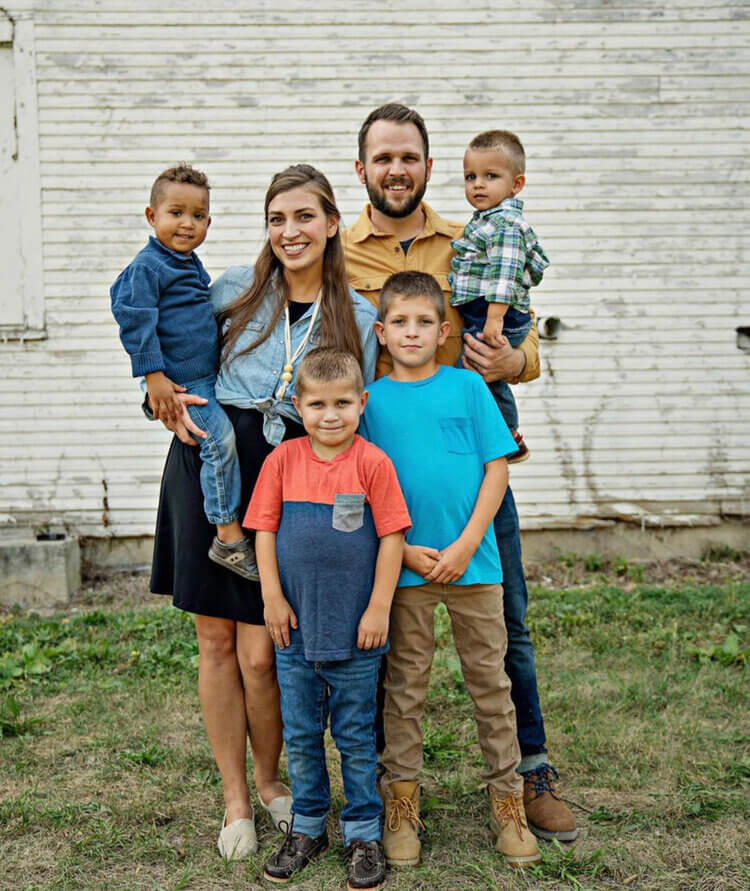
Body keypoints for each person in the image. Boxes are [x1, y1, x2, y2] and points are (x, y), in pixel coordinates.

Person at [342, 103, 577, 842]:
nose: (396, 169)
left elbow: (521, 328)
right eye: (382, 158)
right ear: (362, 170)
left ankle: (529, 775)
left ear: (428, 166)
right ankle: (387, 790)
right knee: (389, 643)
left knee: (506, 624)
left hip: (470, 465)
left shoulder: (474, 233)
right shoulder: (339, 253)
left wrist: (516, 360)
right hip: (383, 473)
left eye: (408, 156)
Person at [147, 165, 379, 860]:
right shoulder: (231, 292)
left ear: (332, 223)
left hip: (289, 477)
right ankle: (236, 800)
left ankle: (272, 778)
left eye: (304, 216)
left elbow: (360, 424)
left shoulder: (358, 317)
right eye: (277, 218)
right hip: (212, 467)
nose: (290, 231)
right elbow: (171, 352)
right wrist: (159, 394)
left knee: (262, 652)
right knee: (216, 644)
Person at [359, 271, 541, 869]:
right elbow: (363, 487)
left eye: (424, 323)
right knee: (405, 691)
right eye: (400, 323)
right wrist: (404, 550)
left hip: (475, 565)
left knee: (491, 688)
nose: (412, 333)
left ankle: (509, 805)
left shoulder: (468, 388)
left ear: (443, 331)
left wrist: (466, 544)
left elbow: (497, 469)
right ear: (382, 333)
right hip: (406, 569)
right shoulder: (370, 403)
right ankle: (401, 806)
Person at [245, 347, 410, 890]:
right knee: (301, 732)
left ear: (362, 403)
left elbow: (392, 537)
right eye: (317, 404)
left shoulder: (372, 464)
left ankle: (363, 833)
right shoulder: (282, 462)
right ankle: (309, 826)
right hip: (293, 630)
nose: (330, 415)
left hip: (357, 633)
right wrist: (272, 598)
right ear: (298, 406)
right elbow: (264, 531)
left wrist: (379, 606)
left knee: (358, 736)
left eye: (343, 402)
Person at [110, 164, 258, 580]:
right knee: (218, 441)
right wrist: (153, 376)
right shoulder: (148, 266)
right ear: (151, 216)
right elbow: (132, 314)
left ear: (209, 221)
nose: (187, 224)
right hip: (185, 382)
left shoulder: (188, 263)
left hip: (210, 377)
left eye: (197, 216)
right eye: (175, 213)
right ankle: (228, 536)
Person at [449, 130, 550, 463]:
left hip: (494, 317)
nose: (478, 184)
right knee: (475, 372)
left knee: (479, 371)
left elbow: (505, 274)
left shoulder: (505, 223)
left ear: (516, 184)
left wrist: (494, 319)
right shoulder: (485, 221)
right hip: (486, 314)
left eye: (491, 176)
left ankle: (508, 433)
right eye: (471, 177)